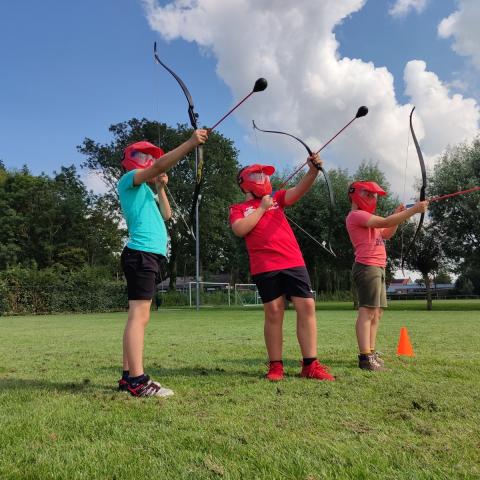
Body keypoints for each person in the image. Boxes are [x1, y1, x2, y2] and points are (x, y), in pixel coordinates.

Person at [229, 155, 335, 381]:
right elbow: (240, 230)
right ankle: (276, 366)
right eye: (257, 174)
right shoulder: (238, 208)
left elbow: (298, 190)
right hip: (265, 266)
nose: (263, 178)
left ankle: (310, 364)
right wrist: (261, 209)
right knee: (274, 312)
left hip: (293, 261)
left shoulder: (277, 198)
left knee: (306, 306)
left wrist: (313, 171)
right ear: (243, 182)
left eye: (265, 174)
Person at [117, 131, 207, 397]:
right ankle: (137, 381)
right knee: (139, 317)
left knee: (137, 317)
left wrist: (160, 187)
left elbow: (167, 215)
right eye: (141, 155)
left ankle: (127, 378)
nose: (147, 160)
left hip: (149, 256)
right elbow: (159, 165)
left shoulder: (146, 189)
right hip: (140, 255)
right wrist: (191, 143)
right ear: (129, 160)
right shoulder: (128, 180)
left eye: (149, 156)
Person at [345, 180, 429, 371]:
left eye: (374, 196)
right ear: (356, 195)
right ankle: (365, 358)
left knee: (376, 313)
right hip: (367, 267)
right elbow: (385, 222)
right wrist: (413, 210)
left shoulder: (369, 217)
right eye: (369, 195)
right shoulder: (356, 216)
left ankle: (371, 352)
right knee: (367, 312)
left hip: (377, 268)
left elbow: (387, 231)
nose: (373, 199)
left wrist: (398, 215)